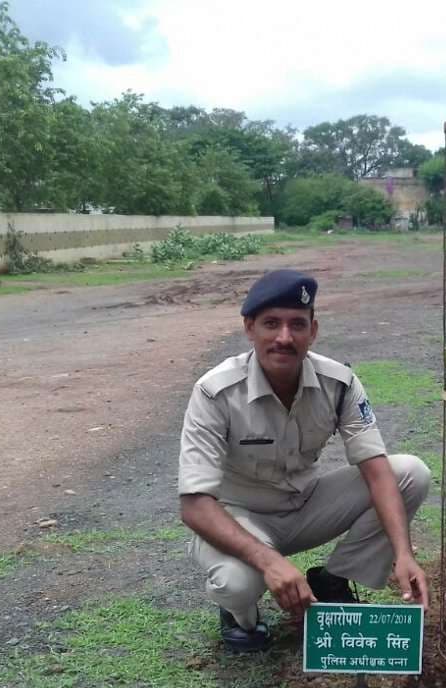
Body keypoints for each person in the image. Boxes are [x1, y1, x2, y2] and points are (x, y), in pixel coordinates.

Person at [178, 269, 431, 652]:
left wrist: (402, 553)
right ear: (249, 329)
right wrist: (269, 561)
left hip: (305, 505)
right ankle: (241, 615)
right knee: (237, 583)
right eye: (271, 324)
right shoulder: (216, 392)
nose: (284, 338)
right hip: (243, 517)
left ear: (313, 331)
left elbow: (377, 472)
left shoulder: (339, 383)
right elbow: (195, 506)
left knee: (410, 472)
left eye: (297, 324)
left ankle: (332, 579)